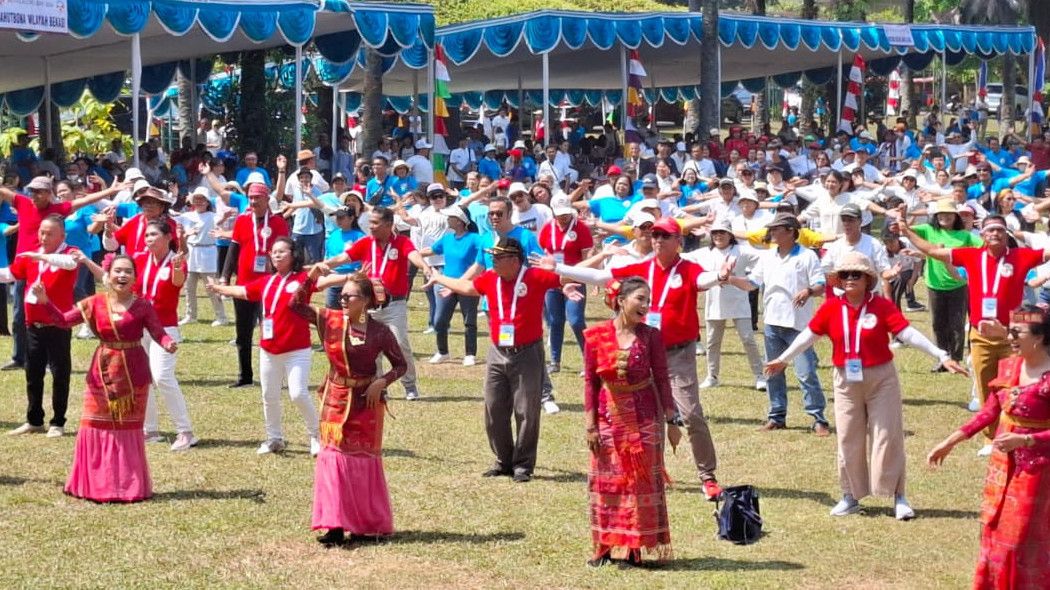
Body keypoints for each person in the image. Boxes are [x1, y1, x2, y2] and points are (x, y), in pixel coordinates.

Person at [766, 252, 966, 520]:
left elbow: (907, 333)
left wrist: (941, 355)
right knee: (848, 437)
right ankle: (850, 496)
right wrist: (783, 359)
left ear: (867, 278)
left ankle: (898, 496)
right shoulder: (831, 307)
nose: (850, 279)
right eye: (844, 275)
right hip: (845, 380)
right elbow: (808, 336)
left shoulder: (881, 306)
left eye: (856, 274)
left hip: (881, 378)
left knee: (887, 435)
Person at [544, 216, 726, 500]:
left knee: (690, 414)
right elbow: (602, 277)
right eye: (655, 235)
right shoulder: (641, 268)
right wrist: (558, 267)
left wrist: (720, 276)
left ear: (679, 241)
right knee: (648, 415)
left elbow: (704, 280)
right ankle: (652, 471)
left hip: (678, 352)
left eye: (665, 236)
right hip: (644, 351)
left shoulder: (688, 269)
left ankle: (708, 476)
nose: (658, 240)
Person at [903, 214, 1048, 456]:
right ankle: (990, 439)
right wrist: (907, 232)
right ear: (982, 235)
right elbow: (934, 252)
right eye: (990, 230)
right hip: (980, 335)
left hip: (1013, 336)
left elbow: (1046, 254)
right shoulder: (971, 255)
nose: (995, 234)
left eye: (1000, 230)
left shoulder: (1020, 257)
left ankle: (1016, 433)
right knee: (985, 386)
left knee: (1016, 387)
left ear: (1006, 234)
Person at [927, 306, 1050, 588]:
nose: (1010, 337)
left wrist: (1027, 439)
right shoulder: (1010, 367)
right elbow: (989, 411)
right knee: (993, 532)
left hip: (1037, 471)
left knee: (1019, 540)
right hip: (1001, 466)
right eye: (1010, 331)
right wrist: (951, 441)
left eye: (1017, 332)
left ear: (1040, 337)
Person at [38, 254, 176, 502]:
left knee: (128, 429)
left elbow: (158, 332)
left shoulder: (143, 306)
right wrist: (46, 301)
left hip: (134, 375)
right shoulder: (94, 303)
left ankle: (127, 486)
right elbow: (62, 321)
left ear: (135, 277)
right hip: (101, 374)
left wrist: (168, 343)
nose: (122, 276)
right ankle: (92, 484)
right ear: (108, 275)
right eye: (117, 271)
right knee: (94, 425)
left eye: (128, 272)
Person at [428, 238, 564, 482]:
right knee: (493, 408)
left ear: (513, 259)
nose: (493, 261)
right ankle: (503, 461)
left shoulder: (534, 277)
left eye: (498, 257)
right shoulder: (491, 278)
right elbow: (467, 287)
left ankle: (523, 465)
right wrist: (438, 278)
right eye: (493, 257)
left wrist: (570, 272)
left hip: (527, 353)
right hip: (497, 351)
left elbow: (568, 278)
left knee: (526, 410)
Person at [289, 270, 407, 546]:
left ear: (365, 301)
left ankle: (365, 525)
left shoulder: (380, 332)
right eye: (341, 295)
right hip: (336, 398)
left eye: (349, 296)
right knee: (332, 459)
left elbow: (401, 365)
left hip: (367, 401)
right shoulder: (330, 320)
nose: (342, 300)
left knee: (361, 461)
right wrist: (311, 278)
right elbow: (295, 305)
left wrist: (382, 382)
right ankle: (334, 525)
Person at [584, 277, 681, 568]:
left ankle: (634, 549)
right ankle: (604, 547)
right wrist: (590, 425)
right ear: (621, 300)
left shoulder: (651, 336)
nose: (645, 305)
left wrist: (672, 417)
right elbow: (591, 382)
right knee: (607, 484)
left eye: (647, 300)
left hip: (643, 418)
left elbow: (663, 378)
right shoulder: (595, 335)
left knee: (639, 484)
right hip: (607, 417)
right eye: (640, 299)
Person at [209, 237, 321, 456]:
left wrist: (348, 276)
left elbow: (325, 281)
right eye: (274, 252)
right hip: (269, 349)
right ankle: (274, 438)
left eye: (282, 251)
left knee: (298, 394)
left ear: (293, 254)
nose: (276, 255)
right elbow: (242, 291)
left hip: (297, 349)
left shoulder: (302, 279)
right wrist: (219, 288)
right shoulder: (267, 281)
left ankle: (316, 435)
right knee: (269, 396)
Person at [321, 207, 433, 400]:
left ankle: (410, 385)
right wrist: (325, 265)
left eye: (375, 223)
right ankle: (378, 385)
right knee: (369, 347)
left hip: (394, 305)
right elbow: (344, 257)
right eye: (369, 222)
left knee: (400, 343)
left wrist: (425, 266)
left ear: (389, 225)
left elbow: (413, 255)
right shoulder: (365, 243)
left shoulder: (402, 242)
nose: (370, 226)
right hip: (368, 305)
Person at [737, 212, 830, 435]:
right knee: (773, 371)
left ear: (791, 231)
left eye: (777, 229)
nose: (772, 233)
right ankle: (777, 416)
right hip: (772, 322)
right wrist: (728, 279)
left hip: (799, 325)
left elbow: (820, 284)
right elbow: (752, 283)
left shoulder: (807, 256)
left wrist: (808, 291)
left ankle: (818, 418)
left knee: (806, 373)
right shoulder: (768, 256)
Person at [2, 216, 81, 437]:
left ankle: (58, 422)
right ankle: (34, 420)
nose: (43, 237)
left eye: (50, 233)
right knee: (33, 373)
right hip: (33, 325)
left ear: (63, 236)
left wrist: (39, 256)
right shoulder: (32, 254)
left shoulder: (70, 252)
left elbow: (70, 263)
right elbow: (11, 274)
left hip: (57, 324)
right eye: (42, 232)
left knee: (59, 373)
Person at [133, 222, 198, 451]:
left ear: (168, 237)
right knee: (143, 379)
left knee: (162, 377)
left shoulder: (176, 261)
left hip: (164, 329)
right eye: (147, 234)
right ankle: (150, 430)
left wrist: (179, 268)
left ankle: (186, 432)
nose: (149, 238)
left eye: (154, 234)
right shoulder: (140, 260)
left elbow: (177, 282)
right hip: (140, 328)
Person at [219, 183, 290, 389]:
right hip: (244, 285)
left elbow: (286, 251)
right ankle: (245, 376)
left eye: (257, 198)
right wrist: (224, 276)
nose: (253, 202)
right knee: (243, 333)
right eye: (250, 198)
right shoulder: (242, 221)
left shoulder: (278, 222)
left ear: (267, 199)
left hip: (269, 286)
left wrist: (282, 279)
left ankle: (276, 376)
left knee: (271, 330)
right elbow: (233, 250)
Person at [897, 199, 982, 368]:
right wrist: (901, 215)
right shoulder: (928, 230)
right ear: (936, 216)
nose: (945, 217)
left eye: (949, 214)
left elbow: (983, 247)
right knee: (938, 324)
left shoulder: (965, 236)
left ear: (955, 217)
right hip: (934, 285)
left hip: (958, 285)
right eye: (941, 214)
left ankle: (956, 358)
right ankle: (943, 358)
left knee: (956, 325)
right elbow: (905, 230)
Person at [684, 219, 765, 390]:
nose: (718, 236)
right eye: (715, 233)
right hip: (714, 303)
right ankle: (712, 376)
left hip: (739, 301)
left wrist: (751, 278)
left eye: (722, 232)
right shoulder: (704, 252)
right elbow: (681, 258)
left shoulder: (741, 251)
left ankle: (760, 375)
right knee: (713, 341)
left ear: (730, 234)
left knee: (748, 339)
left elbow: (763, 259)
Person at [538, 196, 594, 374]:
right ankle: (554, 361)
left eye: (566, 214)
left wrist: (585, 277)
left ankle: (588, 361)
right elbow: (544, 253)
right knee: (555, 321)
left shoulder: (581, 229)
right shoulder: (548, 228)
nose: (563, 218)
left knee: (576, 320)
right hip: (552, 282)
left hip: (574, 280)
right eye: (559, 214)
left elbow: (588, 257)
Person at [423, 206, 482, 366]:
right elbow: (432, 250)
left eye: (450, 217)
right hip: (446, 283)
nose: (447, 220)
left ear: (460, 221)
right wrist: (413, 254)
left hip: (467, 285)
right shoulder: (447, 238)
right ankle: (442, 352)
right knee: (439, 319)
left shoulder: (474, 238)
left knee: (469, 321)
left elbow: (485, 252)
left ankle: (470, 354)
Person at [175, 188, 228, 326]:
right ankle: (190, 315)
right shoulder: (187, 216)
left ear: (207, 202)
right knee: (189, 287)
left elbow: (220, 219)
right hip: (191, 252)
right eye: (196, 199)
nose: (199, 202)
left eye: (202, 199)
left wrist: (225, 217)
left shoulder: (212, 215)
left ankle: (221, 317)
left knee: (211, 286)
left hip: (207, 252)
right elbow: (171, 216)